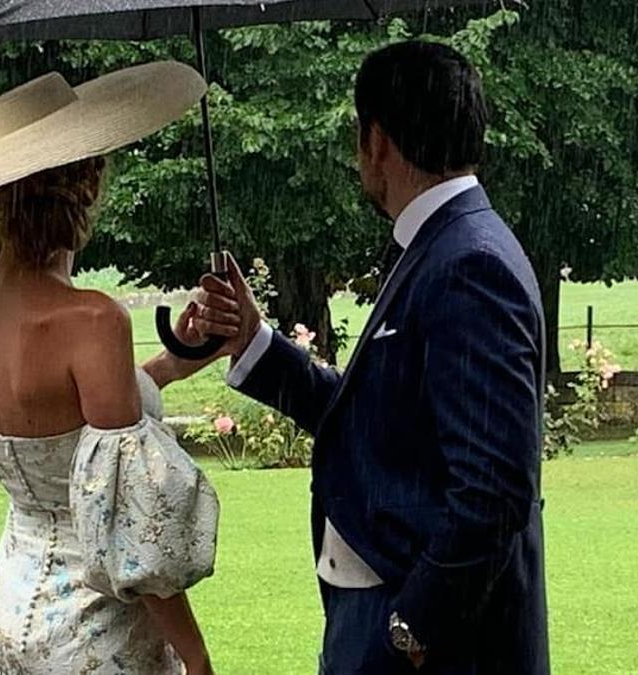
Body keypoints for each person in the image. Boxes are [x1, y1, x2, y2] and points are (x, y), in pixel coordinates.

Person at [179, 41, 550, 673]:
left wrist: (410, 628)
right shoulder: (438, 244)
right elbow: (374, 413)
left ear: (375, 141)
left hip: (431, 642)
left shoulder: (469, 263)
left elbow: (495, 490)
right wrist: (252, 340)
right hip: (381, 617)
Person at [0, 62, 220, 674]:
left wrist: (171, 364)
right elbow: (131, 524)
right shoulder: (93, 319)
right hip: (96, 631)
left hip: (7, 617)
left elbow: (55, 426)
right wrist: (196, 659)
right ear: (88, 183)